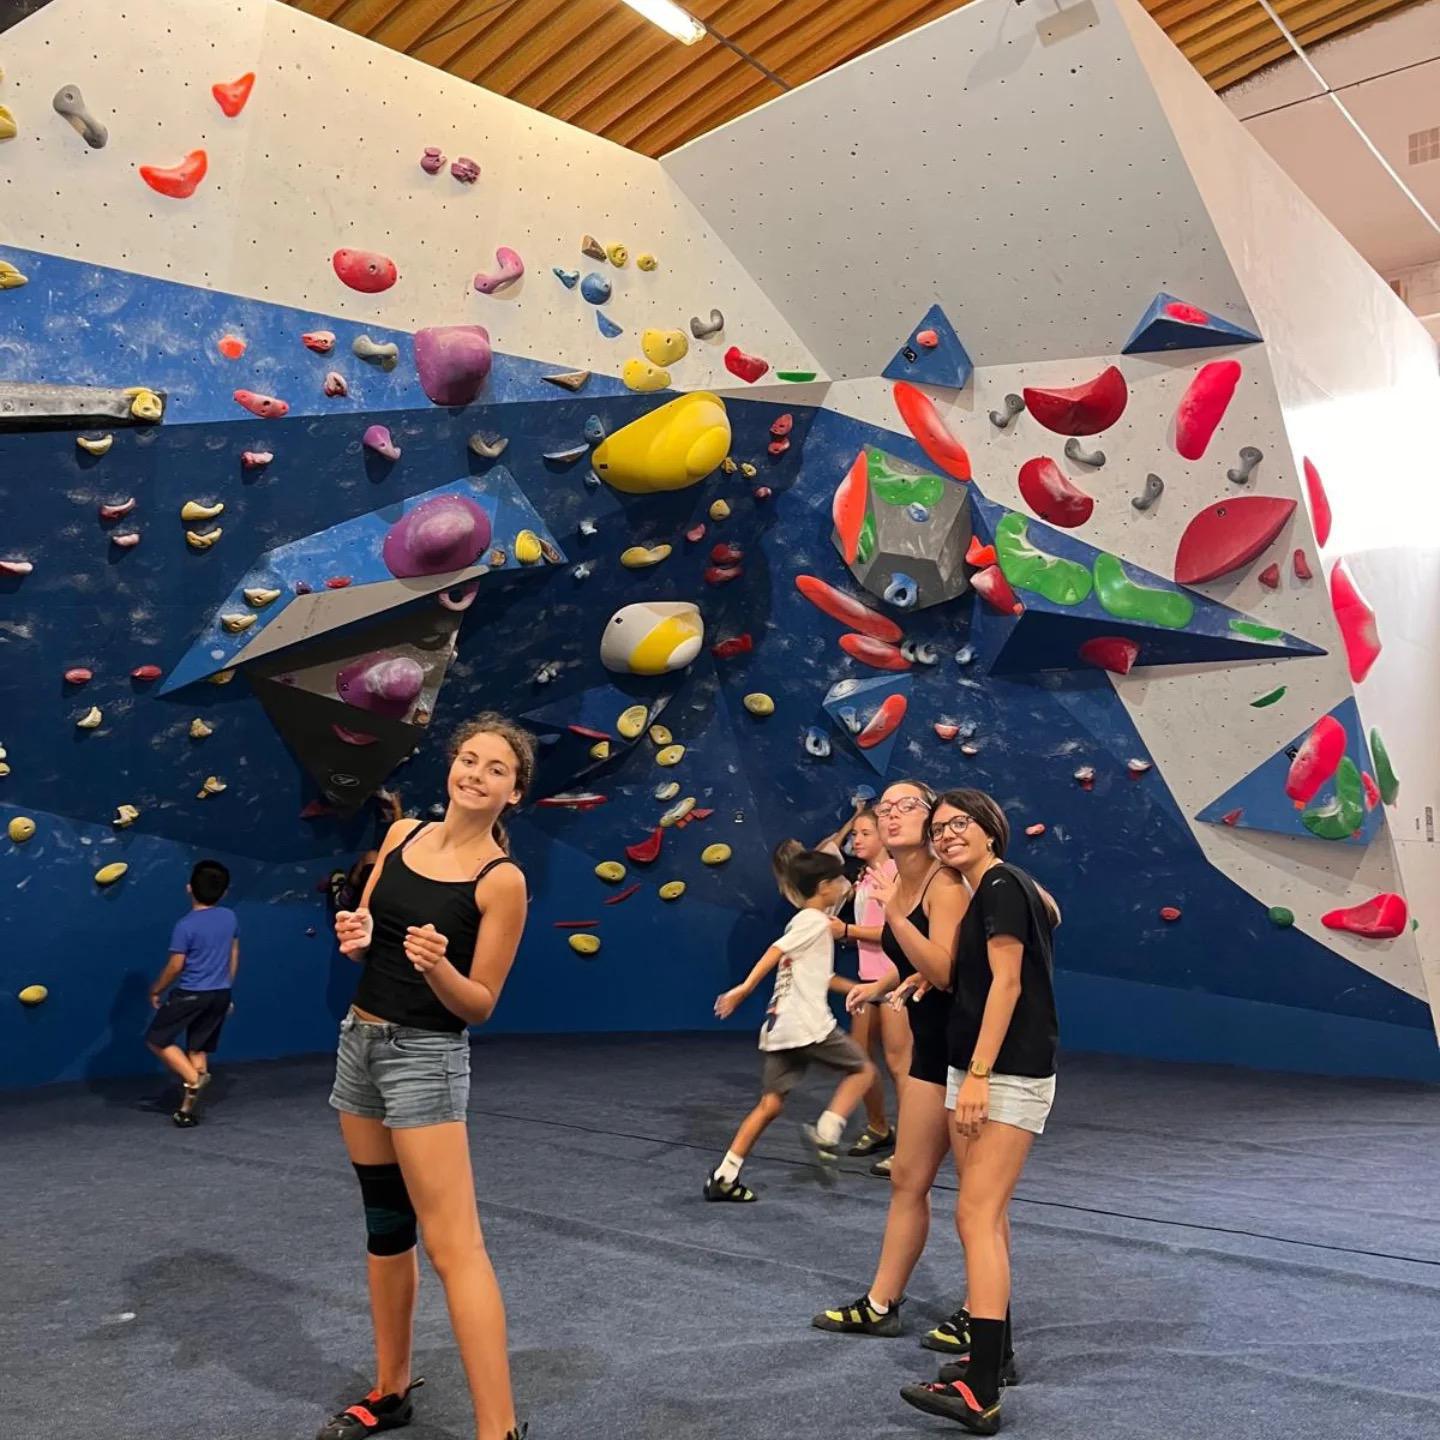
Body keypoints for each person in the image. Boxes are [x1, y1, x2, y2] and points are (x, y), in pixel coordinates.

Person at [322, 714, 534, 1440]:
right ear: (451, 765)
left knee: (454, 1248)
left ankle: (498, 1430)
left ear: (513, 793)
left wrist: (439, 967)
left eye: (496, 769)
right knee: (386, 1225)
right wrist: (356, 938)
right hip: (359, 1045)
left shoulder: (502, 880)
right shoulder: (403, 835)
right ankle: (390, 1391)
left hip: (425, 1058)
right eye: (469, 759)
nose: (476, 774)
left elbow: (480, 1003)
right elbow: (367, 932)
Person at [898, 789, 1059, 1432]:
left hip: (1005, 1073)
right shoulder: (992, 889)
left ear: (991, 827)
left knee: (977, 1215)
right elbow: (994, 966)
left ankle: (981, 1390)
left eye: (959, 823)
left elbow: (1010, 983)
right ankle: (996, 1356)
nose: (946, 835)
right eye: (938, 828)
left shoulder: (998, 884)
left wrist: (981, 1075)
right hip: (978, 1068)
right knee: (983, 1216)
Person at [811, 779, 971, 1346]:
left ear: (931, 819)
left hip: (968, 1056)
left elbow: (947, 970)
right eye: (885, 809)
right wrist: (883, 983)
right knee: (907, 1176)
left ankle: (982, 1315)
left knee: (976, 1198)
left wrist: (894, 917)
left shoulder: (944, 883)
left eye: (907, 806)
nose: (891, 816)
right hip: (933, 1051)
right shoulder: (898, 880)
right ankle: (882, 1304)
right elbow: (922, 963)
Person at [705, 846, 876, 1201]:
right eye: (839, 880)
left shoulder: (801, 922)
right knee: (864, 1071)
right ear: (824, 887)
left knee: (771, 1104)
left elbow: (822, 977)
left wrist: (868, 990)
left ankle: (725, 1175)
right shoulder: (815, 922)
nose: (844, 885)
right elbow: (776, 951)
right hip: (807, 1024)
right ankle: (827, 1132)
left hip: (781, 1028)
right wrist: (744, 988)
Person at [831, 807, 906, 1172]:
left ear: (884, 837)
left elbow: (896, 933)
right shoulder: (863, 877)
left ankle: (910, 1147)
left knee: (899, 1065)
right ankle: (879, 1127)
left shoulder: (896, 875)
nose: (856, 840)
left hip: (894, 983)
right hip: (867, 981)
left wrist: (846, 931)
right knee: (859, 1060)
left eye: (864, 833)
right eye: (854, 834)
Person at [144, 859, 239, 1128]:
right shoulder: (230, 917)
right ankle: (186, 1111)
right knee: (198, 1047)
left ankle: (194, 1078)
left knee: (156, 1039)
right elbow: (234, 954)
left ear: (189, 888)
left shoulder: (185, 926)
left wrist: (156, 989)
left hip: (191, 994)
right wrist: (226, 987)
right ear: (224, 892)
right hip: (219, 994)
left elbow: (176, 966)